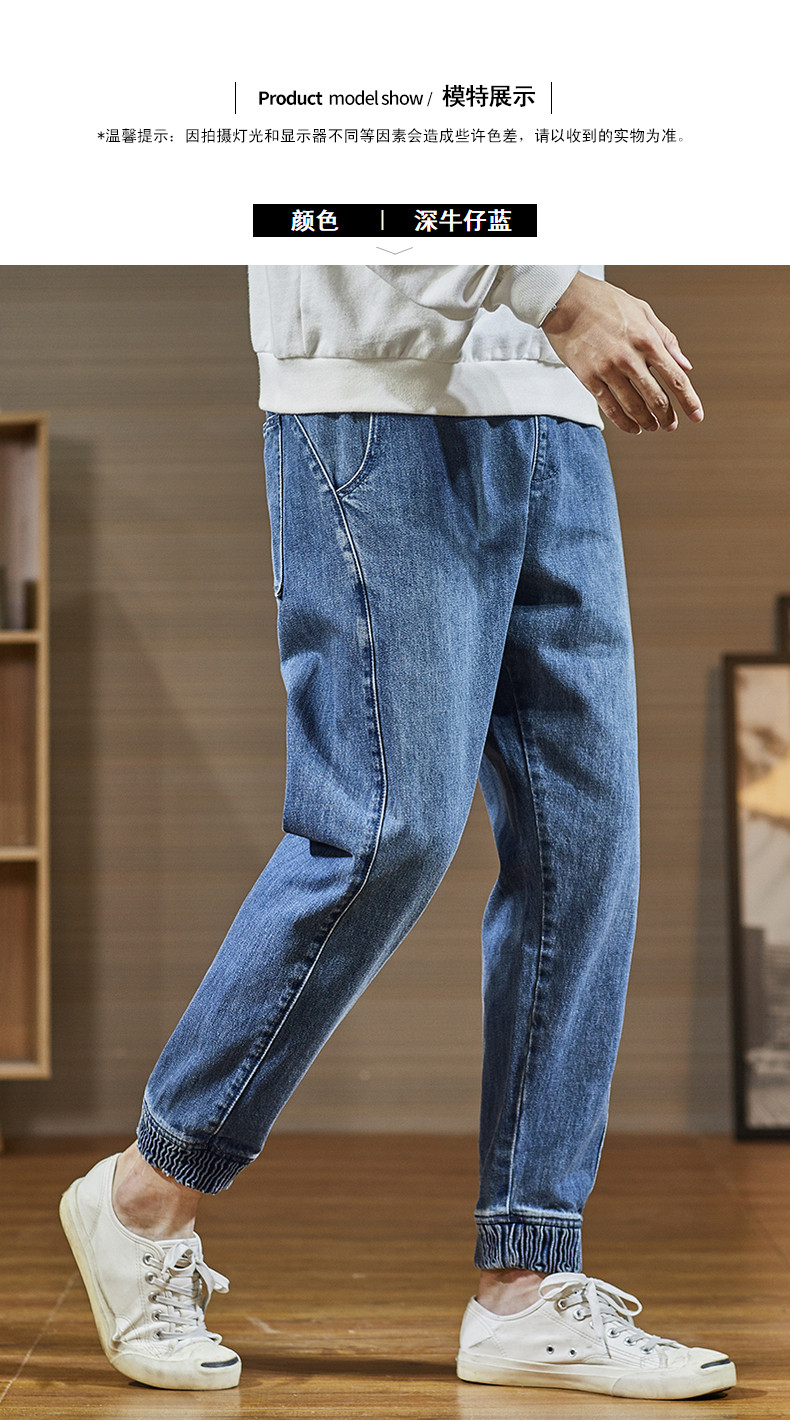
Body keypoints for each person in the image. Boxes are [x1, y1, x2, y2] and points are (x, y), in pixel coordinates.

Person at [59, 265, 736, 1399]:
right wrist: (560, 293)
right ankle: (146, 1189)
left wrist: (559, 310)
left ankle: (527, 1281)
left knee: (584, 847)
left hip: (551, 411)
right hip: (376, 395)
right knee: (381, 830)